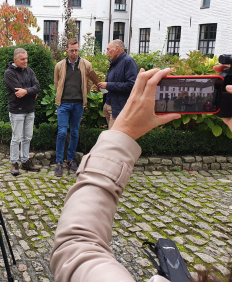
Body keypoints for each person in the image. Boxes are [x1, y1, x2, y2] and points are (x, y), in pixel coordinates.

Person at [50, 66, 232, 282]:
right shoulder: (78, 64)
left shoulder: (120, 63)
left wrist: (122, 132)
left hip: (110, 107)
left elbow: (75, 248)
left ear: (116, 48)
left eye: (110, 49)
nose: (108, 51)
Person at [54, 37, 96, 177]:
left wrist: (84, 93)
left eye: (76, 50)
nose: (74, 53)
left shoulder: (86, 65)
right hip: (64, 104)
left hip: (78, 104)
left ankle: (70, 159)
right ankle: (59, 162)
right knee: (61, 132)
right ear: (67, 50)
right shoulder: (60, 66)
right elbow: (57, 83)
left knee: (75, 132)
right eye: (72, 50)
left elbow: (90, 81)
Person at [4, 48, 41, 176]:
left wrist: (27, 91)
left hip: (30, 110)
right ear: (15, 60)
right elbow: (17, 92)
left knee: (28, 137)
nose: (25, 61)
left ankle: (25, 161)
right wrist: (31, 92)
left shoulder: (29, 71)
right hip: (17, 111)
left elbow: (37, 87)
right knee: (17, 138)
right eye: (22, 59)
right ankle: (14, 162)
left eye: (26, 58)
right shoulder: (9, 73)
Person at [97, 39, 138, 129]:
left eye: (108, 49)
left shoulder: (128, 62)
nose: (107, 53)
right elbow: (112, 84)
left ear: (117, 48)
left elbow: (132, 85)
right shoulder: (114, 62)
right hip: (109, 105)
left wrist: (108, 85)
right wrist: (101, 87)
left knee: (114, 139)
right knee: (112, 138)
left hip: (118, 108)